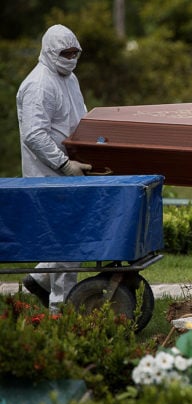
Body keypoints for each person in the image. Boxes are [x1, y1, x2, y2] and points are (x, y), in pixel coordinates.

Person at [17, 24, 91, 311]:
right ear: (49, 51)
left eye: (74, 52)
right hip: (47, 175)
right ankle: (61, 308)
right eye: (65, 52)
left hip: (68, 171)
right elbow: (34, 134)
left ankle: (39, 278)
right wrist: (63, 163)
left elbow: (78, 116)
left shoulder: (69, 78)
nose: (70, 57)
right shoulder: (38, 85)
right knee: (67, 240)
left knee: (72, 235)